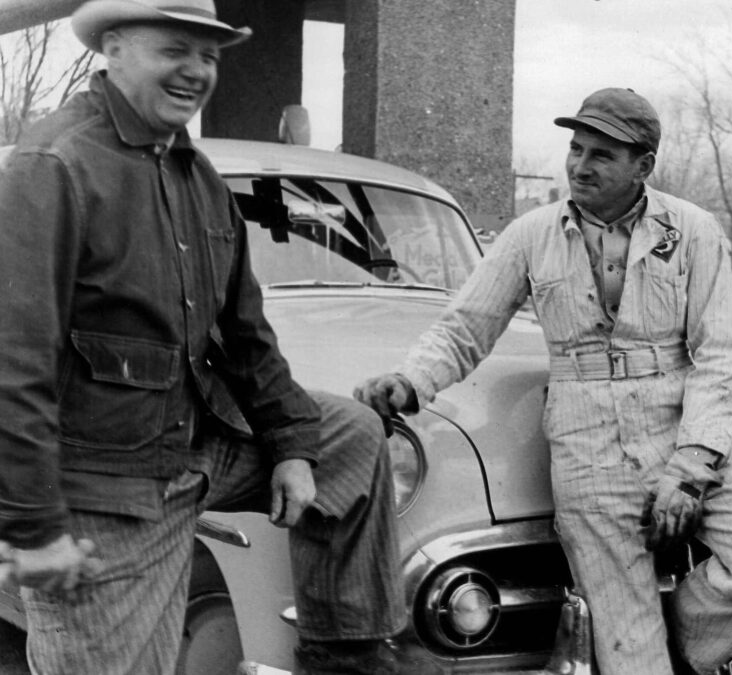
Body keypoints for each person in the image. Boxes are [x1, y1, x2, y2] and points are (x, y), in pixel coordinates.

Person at [0, 1, 428, 673]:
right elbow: (12, 361)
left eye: (209, 55)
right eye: (174, 49)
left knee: (348, 434)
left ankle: (342, 656)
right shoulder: (54, 164)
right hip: (106, 489)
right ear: (113, 48)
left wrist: (291, 445)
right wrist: (31, 526)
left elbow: (247, 333)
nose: (196, 71)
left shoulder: (195, 174)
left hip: (198, 449)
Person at [355, 87, 732, 675]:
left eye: (601, 155)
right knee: (629, 651)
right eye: (576, 148)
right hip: (586, 444)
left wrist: (692, 468)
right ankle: (641, 651)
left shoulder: (693, 232)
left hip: (684, 426)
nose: (579, 165)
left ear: (643, 166)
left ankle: (676, 640)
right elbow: (467, 327)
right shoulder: (532, 234)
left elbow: (719, 356)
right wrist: (409, 380)